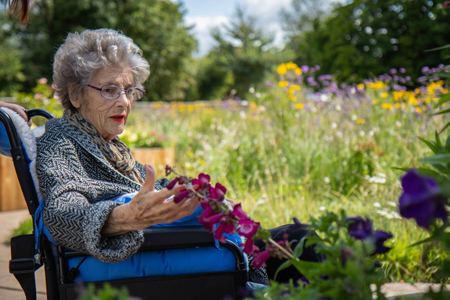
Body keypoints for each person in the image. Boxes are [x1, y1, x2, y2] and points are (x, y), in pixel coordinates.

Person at [36, 29, 321, 286]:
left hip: (179, 249)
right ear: (75, 94)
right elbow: (60, 214)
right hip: (162, 261)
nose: (124, 101)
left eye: (130, 90)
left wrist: (193, 194)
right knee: (304, 245)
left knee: (300, 238)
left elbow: (141, 190)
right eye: (110, 90)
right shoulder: (61, 142)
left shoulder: (109, 147)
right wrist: (125, 217)